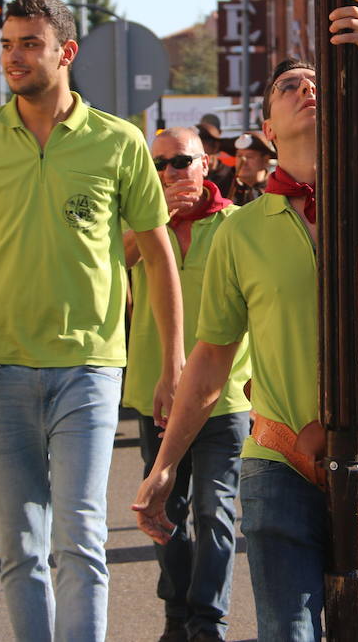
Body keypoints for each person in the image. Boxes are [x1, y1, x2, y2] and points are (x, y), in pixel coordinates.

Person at [133, 0, 358, 642]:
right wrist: (166, 464)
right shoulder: (240, 232)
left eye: (316, 82)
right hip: (281, 467)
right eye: (288, 85)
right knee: (289, 634)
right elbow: (212, 357)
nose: (305, 86)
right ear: (268, 130)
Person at [0, 0, 184, 642]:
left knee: (81, 532)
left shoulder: (119, 143)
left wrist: (170, 361)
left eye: (30, 43)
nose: (15, 56)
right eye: (7, 44)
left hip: (89, 367)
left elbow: (160, 259)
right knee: (21, 544)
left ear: (66, 52)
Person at [124, 127, 250, 642]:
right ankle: (177, 614)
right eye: (160, 165)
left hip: (225, 395)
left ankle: (208, 621)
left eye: (182, 161)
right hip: (157, 395)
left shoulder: (237, 225)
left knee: (215, 511)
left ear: (206, 165)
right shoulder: (138, 225)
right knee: (165, 510)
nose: (172, 173)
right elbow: (115, 263)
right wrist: (158, 218)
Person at [229, 131, 274, 205]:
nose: (243, 162)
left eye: (250, 157)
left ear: (265, 160)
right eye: (239, 156)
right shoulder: (224, 187)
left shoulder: (277, 191)